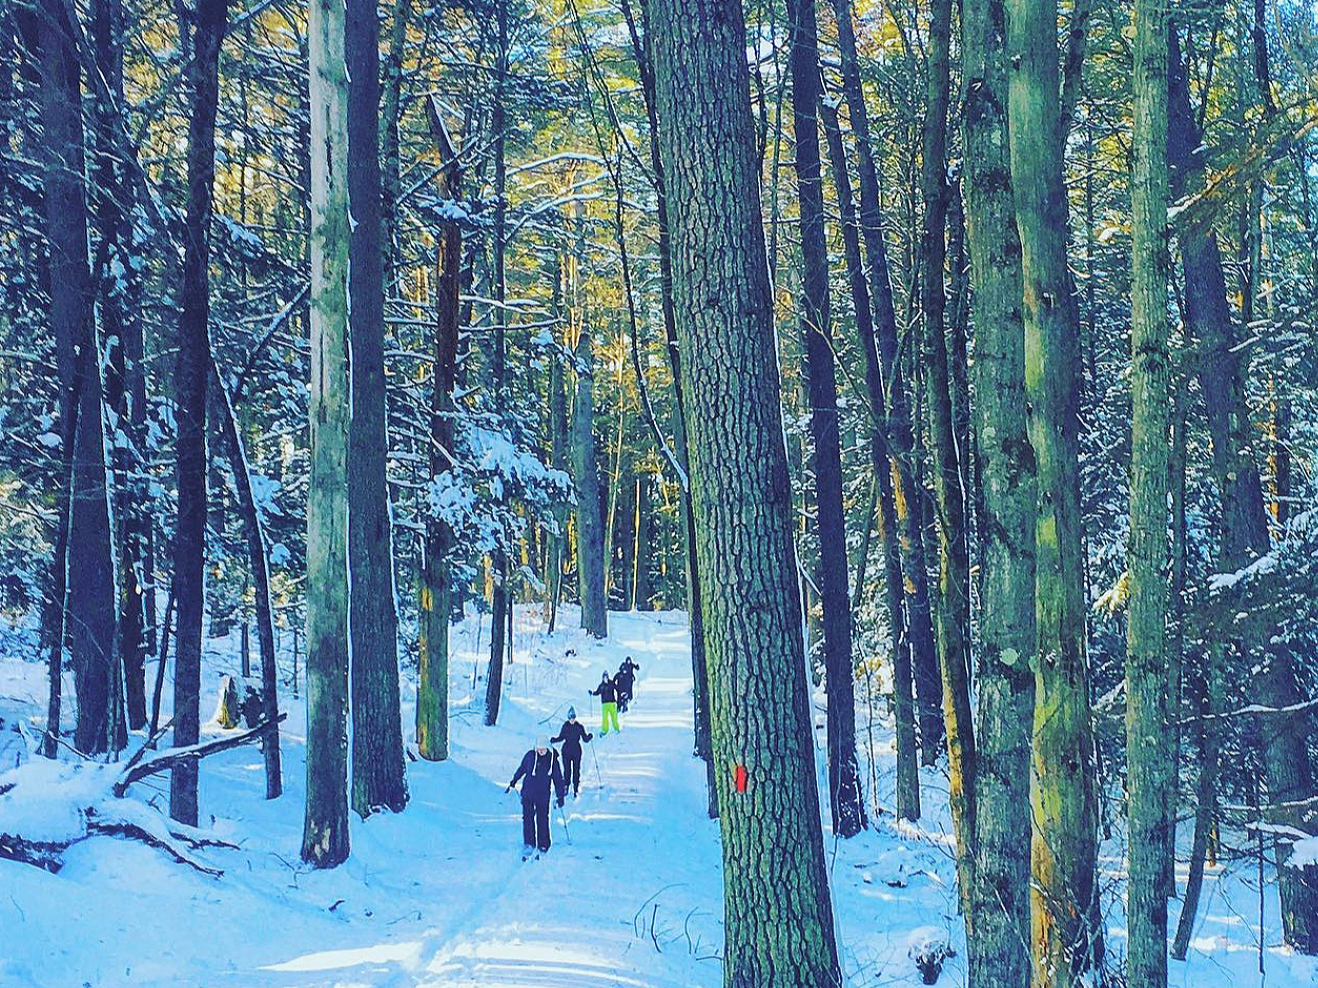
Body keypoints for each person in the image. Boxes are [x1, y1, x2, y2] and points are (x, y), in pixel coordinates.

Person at [506, 736, 566, 858]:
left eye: (543, 750)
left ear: (548, 748)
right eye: (539, 749)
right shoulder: (530, 756)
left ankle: (543, 843)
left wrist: (560, 796)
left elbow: (558, 779)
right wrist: (514, 780)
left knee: (542, 818)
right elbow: (522, 769)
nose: (541, 752)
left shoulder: (552, 760)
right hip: (528, 792)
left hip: (543, 795)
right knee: (527, 818)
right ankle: (529, 843)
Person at [550, 707, 593, 797]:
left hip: (576, 751)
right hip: (566, 751)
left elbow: (585, 739)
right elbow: (561, 737)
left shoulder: (579, 727)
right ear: (568, 718)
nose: (572, 719)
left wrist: (589, 736)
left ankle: (576, 787)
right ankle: (566, 786)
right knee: (567, 770)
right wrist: (553, 740)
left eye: (573, 717)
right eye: (570, 717)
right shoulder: (565, 726)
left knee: (576, 770)